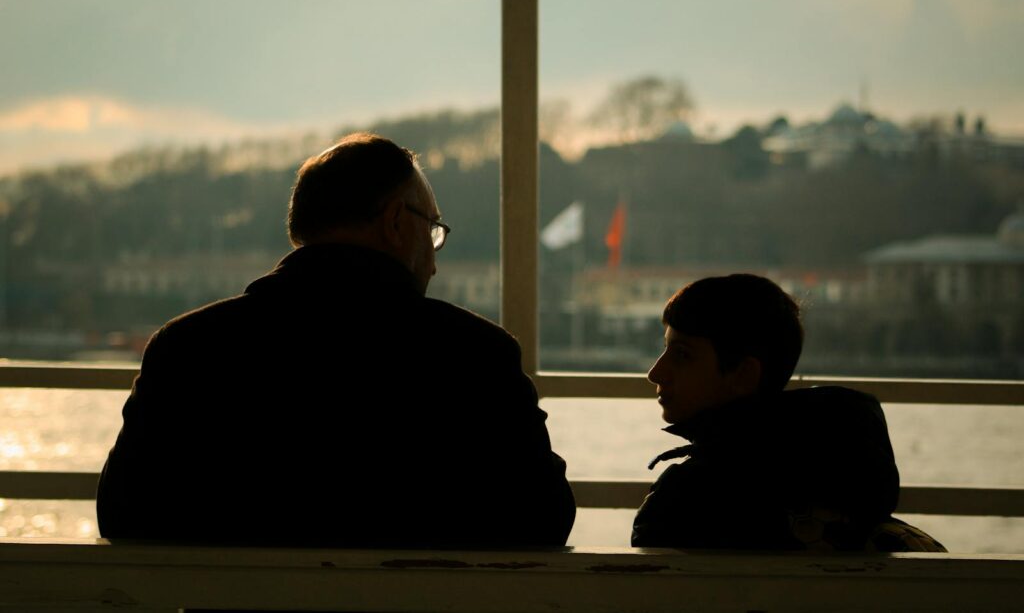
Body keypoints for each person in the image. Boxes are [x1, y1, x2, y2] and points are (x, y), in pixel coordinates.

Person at [97, 132, 575, 548]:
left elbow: (122, 512)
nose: (433, 262)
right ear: (395, 221)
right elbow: (545, 516)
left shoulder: (187, 348)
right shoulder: (476, 355)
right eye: (432, 230)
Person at [631, 274, 944, 551]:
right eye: (665, 349)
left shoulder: (682, 503)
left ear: (743, 375)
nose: (655, 372)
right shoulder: (857, 484)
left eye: (682, 355)